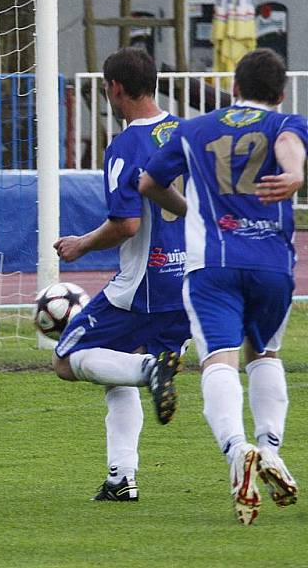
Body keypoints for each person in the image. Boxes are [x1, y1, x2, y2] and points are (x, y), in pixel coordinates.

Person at [140, 48, 306, 525]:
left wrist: (190, 211)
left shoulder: (193, 130)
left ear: (233, 87)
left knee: (220, 359)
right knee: (265, 357)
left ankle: (238, 450)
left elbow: (149, 181)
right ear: (278, 93)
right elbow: (289, 151)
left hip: (213, 263)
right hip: (272, 263)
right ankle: (270, 447)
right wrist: (293, 175)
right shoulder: (285, 123)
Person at [51, 47, 190, 502]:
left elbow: (127, 224)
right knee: (116, 371)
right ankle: (120, 478)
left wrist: (81, 244)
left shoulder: (127, 145)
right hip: (191, 281)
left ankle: (150, 368)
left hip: (142, 285)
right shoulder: (187, 132)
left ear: (113, 88)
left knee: (68, 361)